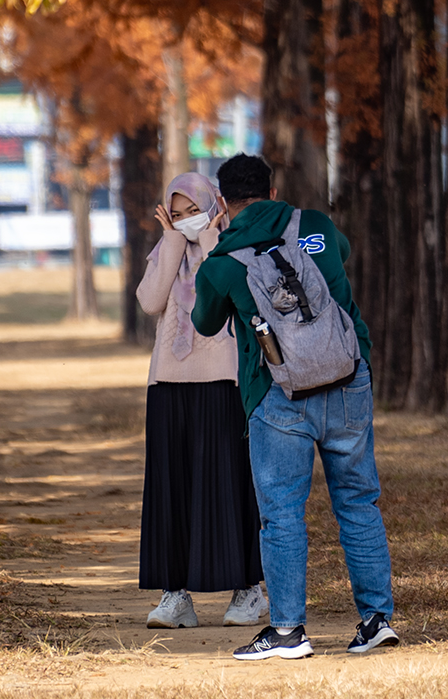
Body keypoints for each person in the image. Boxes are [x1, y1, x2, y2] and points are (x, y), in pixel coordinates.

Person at [192, 153, 396, 662]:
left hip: (278, 393)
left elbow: (204, 323)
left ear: (222, 201)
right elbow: (337, 254)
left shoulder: (223, 262)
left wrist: (219, 244)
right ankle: (375, 621)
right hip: (348, 378)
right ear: (271, 188)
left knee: (282, 513)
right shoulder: (317, 227)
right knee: (358, 500)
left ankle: (287, 632)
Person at [134, 171, 268, 629]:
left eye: (195, 211)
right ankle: (176, 595)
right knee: (172, 487)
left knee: (229, 483)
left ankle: (248, 589)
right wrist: (173, 242)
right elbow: (151, 301)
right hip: (168, 383)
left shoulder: (232, 246)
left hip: (223, 380)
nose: (188, 220)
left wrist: (211, 237)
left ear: (214, 207)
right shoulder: (165, 251)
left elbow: (228, 287)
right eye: (178, 214)